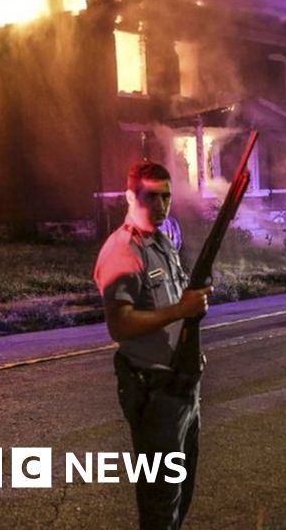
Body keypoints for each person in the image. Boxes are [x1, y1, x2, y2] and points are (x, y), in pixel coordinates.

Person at [94, 161, 212, 529]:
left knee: (180, 492)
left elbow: (173, 308)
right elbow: (120, 324)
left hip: (181, 387)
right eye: (151, 197)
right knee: (161, 499)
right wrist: (182, 308)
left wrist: (188, 307)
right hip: (153, 390)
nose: (160, 205)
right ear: (131, 197)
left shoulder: (161, 242)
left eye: (166, 197)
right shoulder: (122, 251)